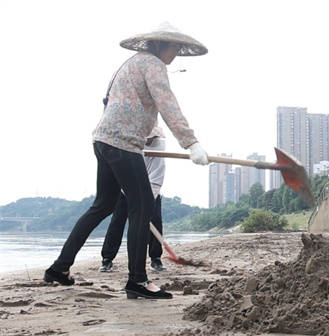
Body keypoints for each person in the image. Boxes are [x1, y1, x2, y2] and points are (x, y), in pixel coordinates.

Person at [44, 23, 210, 299]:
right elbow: (167, 102)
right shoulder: (154, 65)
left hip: (103, 140)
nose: (176, 53)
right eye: (174, 47)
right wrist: (190, 142)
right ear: (159, 44)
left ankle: (59, 268)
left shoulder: (129, 64)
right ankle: (138, 281)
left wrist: (140, 133)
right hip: (122, 144)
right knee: (143, 205)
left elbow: (110, 101)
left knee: (103, 205)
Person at [99, 126, 168, 273]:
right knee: (117, 221)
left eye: (151, 137)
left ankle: (156, 259)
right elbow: (122, 168)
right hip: (126, 187)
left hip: (151, 187)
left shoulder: (160, 146)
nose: (148, 139)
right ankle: (107, 259)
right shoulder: (130, 144)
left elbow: (157, 174)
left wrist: (148, 200)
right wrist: (129, 191)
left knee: (155, 219)